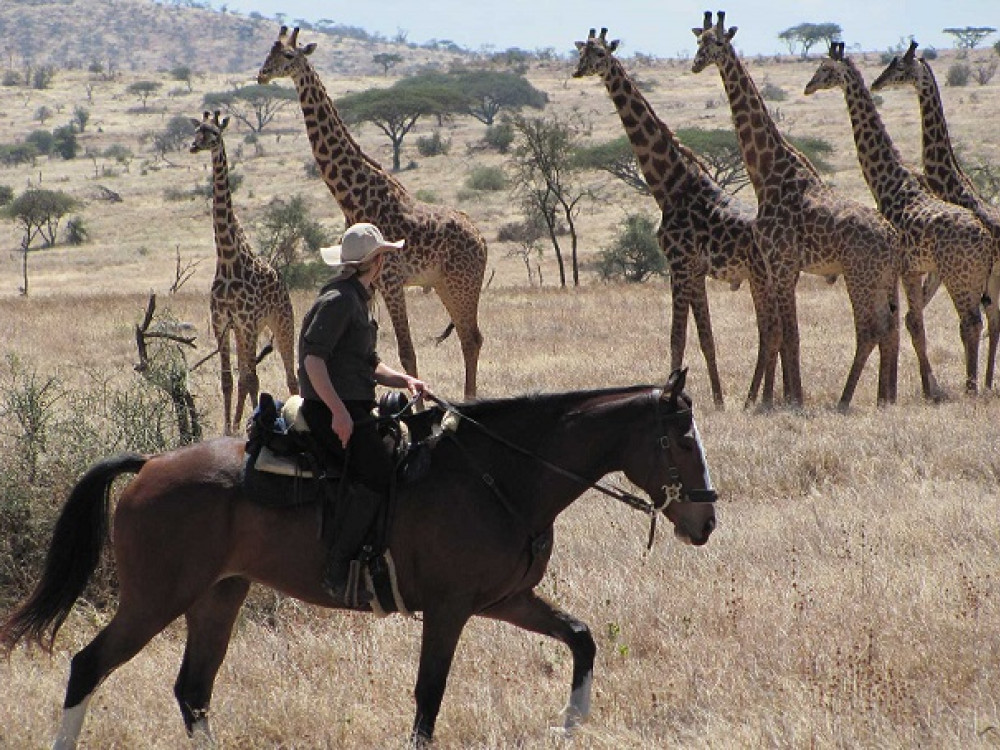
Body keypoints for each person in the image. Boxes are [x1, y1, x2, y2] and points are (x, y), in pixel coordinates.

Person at [298, 222, 428, 605]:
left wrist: (405, 380)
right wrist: (338, 412)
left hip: (353, 407)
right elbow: (313, 361)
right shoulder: (339, 300)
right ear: (373, 261)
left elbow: (367, 364)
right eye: (384, 255)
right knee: (377, 474)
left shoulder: (357, 299)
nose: (387, 261)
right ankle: (337, 568)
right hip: (331, 412)